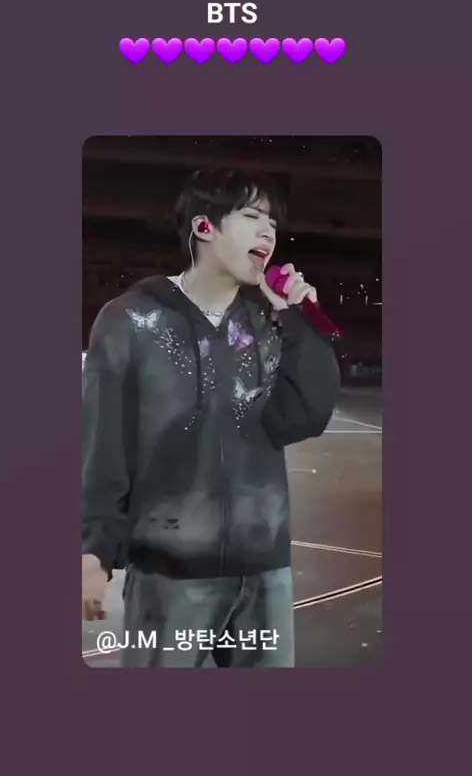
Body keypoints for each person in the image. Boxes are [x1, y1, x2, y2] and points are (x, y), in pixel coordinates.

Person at [82, 168, 340, 667]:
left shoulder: (266, 322)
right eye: (252, 217)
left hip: (265, 575)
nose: (268, 232)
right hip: (169, 576)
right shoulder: (132, 320)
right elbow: (104, 445)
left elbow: (305, 415)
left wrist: (298, 318)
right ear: (205, 227)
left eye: (272, 222)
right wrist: (93, 550)